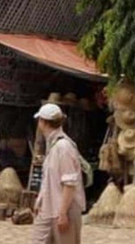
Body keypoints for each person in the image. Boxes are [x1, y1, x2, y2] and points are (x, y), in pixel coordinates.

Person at [32, 103, 86, 244]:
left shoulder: (63, 147)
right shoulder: (54, 145)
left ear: (43, 122)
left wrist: (63, 213)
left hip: (63, 209)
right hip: (49, 209)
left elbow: (69, 183)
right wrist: (40, 201)